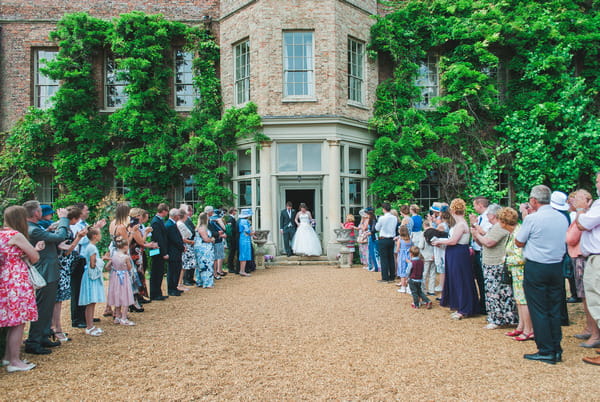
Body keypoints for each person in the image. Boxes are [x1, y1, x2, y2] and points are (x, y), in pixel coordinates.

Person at [516, 185, 568, 364]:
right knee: (554, 308)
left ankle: (546, 349)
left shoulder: (532, 219)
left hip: (537, 266)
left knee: (539, 309)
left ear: (533, 200)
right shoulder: (561, 217)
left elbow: (519, 241)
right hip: (556, 266)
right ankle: (556, 348)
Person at [1, 206, 43, 372]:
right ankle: (14, 360)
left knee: (9, 319)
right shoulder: (15, 234)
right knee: (18, 321)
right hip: (16, 279)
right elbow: (35, 256)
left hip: (4, 277)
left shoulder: (1, 234)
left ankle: (6, 357)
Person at [23, 200, 69, 355]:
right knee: (42, 307)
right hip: (45, 271)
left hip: (49, 270)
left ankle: (43, 336)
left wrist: (49, 229)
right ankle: (33, 342)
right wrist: (63, 219)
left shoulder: (36, 228)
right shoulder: (33, 229)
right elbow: (61, 236)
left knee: (47, 306)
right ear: (36, 213)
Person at [471, 205, 518, 330]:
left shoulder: (499, 227)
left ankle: (498, 318)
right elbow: (484, 242)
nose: (487, 217)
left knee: (497, 292)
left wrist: (477, 234)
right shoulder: (496, 227)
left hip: (496, 263)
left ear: (493, 215)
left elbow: (489, 242)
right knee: (494, 291)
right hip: (490, 262)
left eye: (488, 215)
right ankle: (499, 317)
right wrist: (477, 236)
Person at [433, 198, 480, 320]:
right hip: (455, 252)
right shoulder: (459, 223)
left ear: (453, 210)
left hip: (458, 253)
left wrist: (439, 241)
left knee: (461, 279)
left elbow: (454, 241)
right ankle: (459, 304)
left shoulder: (461, 224)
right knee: (455, 278)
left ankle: (464, 308)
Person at [573, 172, 600, 365]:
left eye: (599, 180)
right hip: (592, 257)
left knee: (597, 302)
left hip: (597, 259)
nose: (596, 183)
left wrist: (581, 210)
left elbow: (582, 224)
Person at [567, 189, 600, 347]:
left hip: (590, 257)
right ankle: (591, 330)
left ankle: (595, 335)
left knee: (593, 299)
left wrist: (580, 210)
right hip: (587, 257)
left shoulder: (593, 210)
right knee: (590, 298)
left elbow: (575, 234)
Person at [52, 206, 87, 342]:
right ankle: (56, 329)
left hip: (63, 266)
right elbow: (66, 251)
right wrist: (78, 237)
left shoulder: (58, 226)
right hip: (61, 266)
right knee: (57, 300)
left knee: (57, 300)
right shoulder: (63, 229)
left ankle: (55, 328)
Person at [69, 202, 106, 328]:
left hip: (84, 259)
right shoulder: (75, 226)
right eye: (86, 210)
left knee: (85, 290)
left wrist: (95, 227)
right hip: (78, 259)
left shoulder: (85, 225)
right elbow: (80, 240)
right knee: (77, 290)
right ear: (80, 212)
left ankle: (86, 316)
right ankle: (77, 318)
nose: (88, 212)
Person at [504, 211, 534, 341]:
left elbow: (521, 257)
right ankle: (521, 326)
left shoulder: (518, 233)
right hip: (515, 272)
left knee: (523, 301)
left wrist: (505, 261)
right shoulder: (514, 233)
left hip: (521, 271)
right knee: (519, 300)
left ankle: (528, 329)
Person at [79, 227, 106, 336]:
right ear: (95, 236)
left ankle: (91, 325)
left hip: (89, 274)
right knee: (90, 301)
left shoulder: (90, 246)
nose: (101, 236)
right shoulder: (92, 248)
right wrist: (102, 260)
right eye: (99, 234)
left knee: (92, 301)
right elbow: (92, 264)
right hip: (91, 276)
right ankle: (89, 326)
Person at [106, 236, 135, 326]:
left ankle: (117, 317)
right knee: (126, 295)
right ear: (125, 247)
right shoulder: (126, 257)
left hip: (115, 278)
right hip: (124, 277)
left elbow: (107, 267)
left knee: (117, 295)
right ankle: (124, 317)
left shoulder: (113, 256)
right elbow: (130, 268)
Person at [470, 196, 491, 315]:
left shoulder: (488, 217)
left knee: (484, 279)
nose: (473, 207)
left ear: (480, 205)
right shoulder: (481, 217)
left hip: (484, 250)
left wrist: (474, 224)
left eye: (474, 205)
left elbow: (486, 232)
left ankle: (486, 305)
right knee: (479, 279)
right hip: (477, 248)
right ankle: (482, 303)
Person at [150, 203, 169, 301]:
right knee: (156, 271)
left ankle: (158, 292)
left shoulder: (158, 221)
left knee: (159, 271)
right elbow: (159, 238)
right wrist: (164, 252)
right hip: (156, 250)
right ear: (164, 211)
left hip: (158, 250)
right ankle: (155, 293)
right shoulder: (156, 222)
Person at [165, 208, 185, 297]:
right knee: (172, 271)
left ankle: (174, 287)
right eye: (178, 215)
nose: (179, 217)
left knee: (176, 269)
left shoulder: (172, 224)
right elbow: (174, 239)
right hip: (173, 251)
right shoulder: (170, 225)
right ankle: (171, 289)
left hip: (176, 250)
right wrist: (181, 247)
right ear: (175, 216)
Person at [376, 203, 397, 282]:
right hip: (391, 239)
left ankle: (385, 277)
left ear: (383, 209)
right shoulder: (394, 218)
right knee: (391, 258)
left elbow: (377, 228)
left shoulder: (382, 218)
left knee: (384, 259)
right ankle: (392, 276)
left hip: (383, 238)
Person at [194, 212, 215, 288]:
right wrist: (212, 239)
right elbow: (205, 239)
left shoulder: (201, 227)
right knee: (206, 264)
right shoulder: (202, 228)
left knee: (201, 265)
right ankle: (207, 282)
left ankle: (200, 281)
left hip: (203, 248)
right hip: (204, 249)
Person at [176, 207, 195, 292]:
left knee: (184, 266)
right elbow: (182, 238)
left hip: (186, 244)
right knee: (183, 266)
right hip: (185, 245)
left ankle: (180, 283)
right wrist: (191, 242)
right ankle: (179, 283)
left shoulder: (181, 223)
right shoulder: (180, 224)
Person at [418, 219, 436, 296]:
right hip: (434, 255)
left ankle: (423, 290)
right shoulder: (435, 233)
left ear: (424, 225)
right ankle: (432, 290)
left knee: (424, 273)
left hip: (425, 256)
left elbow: (421, 246)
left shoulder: (423, 234)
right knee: (432, 273)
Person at [180, 204, 197, 285]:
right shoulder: (185, 221)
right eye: (189, 211)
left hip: (191, 242)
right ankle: (186, 279)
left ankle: (190, 278)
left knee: (192, 261)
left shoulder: (188, 220)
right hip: (188, 242)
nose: (190, 213)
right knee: (187, 262)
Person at [238, 209, 255, 277]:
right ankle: (242, 271)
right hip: (244, 239)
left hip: (245, 238)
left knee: (244, 254)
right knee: (244, 254)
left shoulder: (243, 221)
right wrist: (253, 233)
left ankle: (242, 270)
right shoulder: (244, 221)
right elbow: (248, 231)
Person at [396, 225, 412, 293]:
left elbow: (397, 250)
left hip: (402, 256)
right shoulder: (410, 239)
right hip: (409, 256)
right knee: (408, 271)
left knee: (402, 272)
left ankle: (403, 287)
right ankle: (409, 287)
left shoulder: (400, 240)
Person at [225, 207, 240, 274]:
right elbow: (231, 230)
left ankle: (231, 267)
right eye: (235, 211)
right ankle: (230, 267)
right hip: (232, 239)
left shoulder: (232, 218)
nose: (235, 212)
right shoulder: (231, 219)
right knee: (231, 253)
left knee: (232, 253)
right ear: (232, 211)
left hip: (233, 238)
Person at [365, 208, 379, 272]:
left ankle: (376, 267)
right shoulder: (371, 220)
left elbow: (373, 230)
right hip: (370, 236)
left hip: (372, 237)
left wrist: (367, 233)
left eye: (367, 214)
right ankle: (373, 266)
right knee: (371, 252)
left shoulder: (373, 220)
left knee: (373, 252)